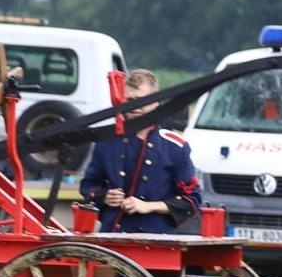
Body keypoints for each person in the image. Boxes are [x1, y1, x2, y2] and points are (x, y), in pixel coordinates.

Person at [78, 69, 201, 233]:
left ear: (155, 102)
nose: (135, 106)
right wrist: (104, 196)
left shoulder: (174, 146)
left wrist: (149, 206)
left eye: (141, 100)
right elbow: (88, 185)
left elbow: (191, 200)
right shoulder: (107, 141)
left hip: (158, 238)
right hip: (113, 233)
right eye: (129, 100)